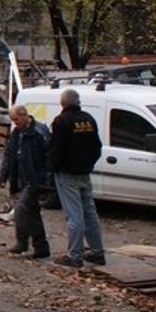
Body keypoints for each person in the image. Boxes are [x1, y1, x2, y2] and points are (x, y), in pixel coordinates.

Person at [49, 88, 105, 268]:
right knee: (90, 213)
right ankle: (97, 252)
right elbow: (97, 146)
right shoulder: (88, 119)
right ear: (78, 102)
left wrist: (53, 169)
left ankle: (75, 255)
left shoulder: (61, 121)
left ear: (62, 103)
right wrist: (89, 164)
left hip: (67, 174)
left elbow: (57, 149)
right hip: (85, 172)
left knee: (74, 216)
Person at [0, 104, 52, 259]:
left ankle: (22, 243)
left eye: (16, 119)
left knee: (21, 211)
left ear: (24, 115)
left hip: (34, 179)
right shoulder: (17, 133)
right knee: (32, 214)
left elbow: (49, 156)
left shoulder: (38, 132)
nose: (15, 123)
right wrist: (4, 175)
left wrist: (45, 179)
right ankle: (41, 247)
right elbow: (9, 154)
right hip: (21, 179)